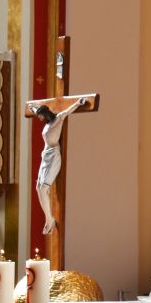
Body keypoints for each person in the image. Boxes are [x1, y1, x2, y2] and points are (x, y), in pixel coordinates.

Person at [34, 96, 90, 234]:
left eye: (41, 116)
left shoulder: (58, 118)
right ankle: (49, 218)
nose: (40, 119)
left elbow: (68, 110)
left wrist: (79, 102)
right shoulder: (47, 122)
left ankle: (49, 220)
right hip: (45, 155)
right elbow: (35, 109)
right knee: (38, 187)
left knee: (43, 188)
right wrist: (33, 107)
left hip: (53, 156)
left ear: (46, 113)